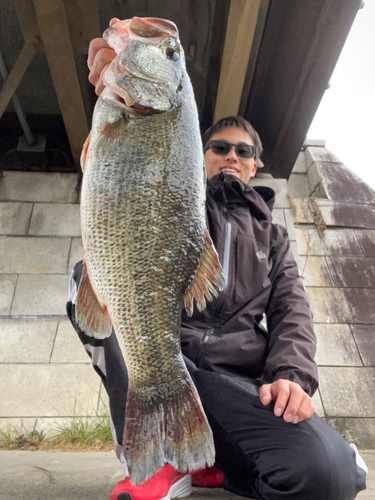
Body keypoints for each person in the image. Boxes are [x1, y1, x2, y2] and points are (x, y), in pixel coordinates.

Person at [67, 20, 367, 500]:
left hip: (239, 385)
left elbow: (293, 313)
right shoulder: (183, 195)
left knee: (329, 476)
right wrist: (114, 83)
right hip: (172, 358)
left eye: (243, 151)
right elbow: (123, 174)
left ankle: (218, 462)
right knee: (89, 279)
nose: (231, 155)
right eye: (219, 147)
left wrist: (290, 375)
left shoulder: (275, 237)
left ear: (255, 164)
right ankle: (157, 462)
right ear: (198, 153)